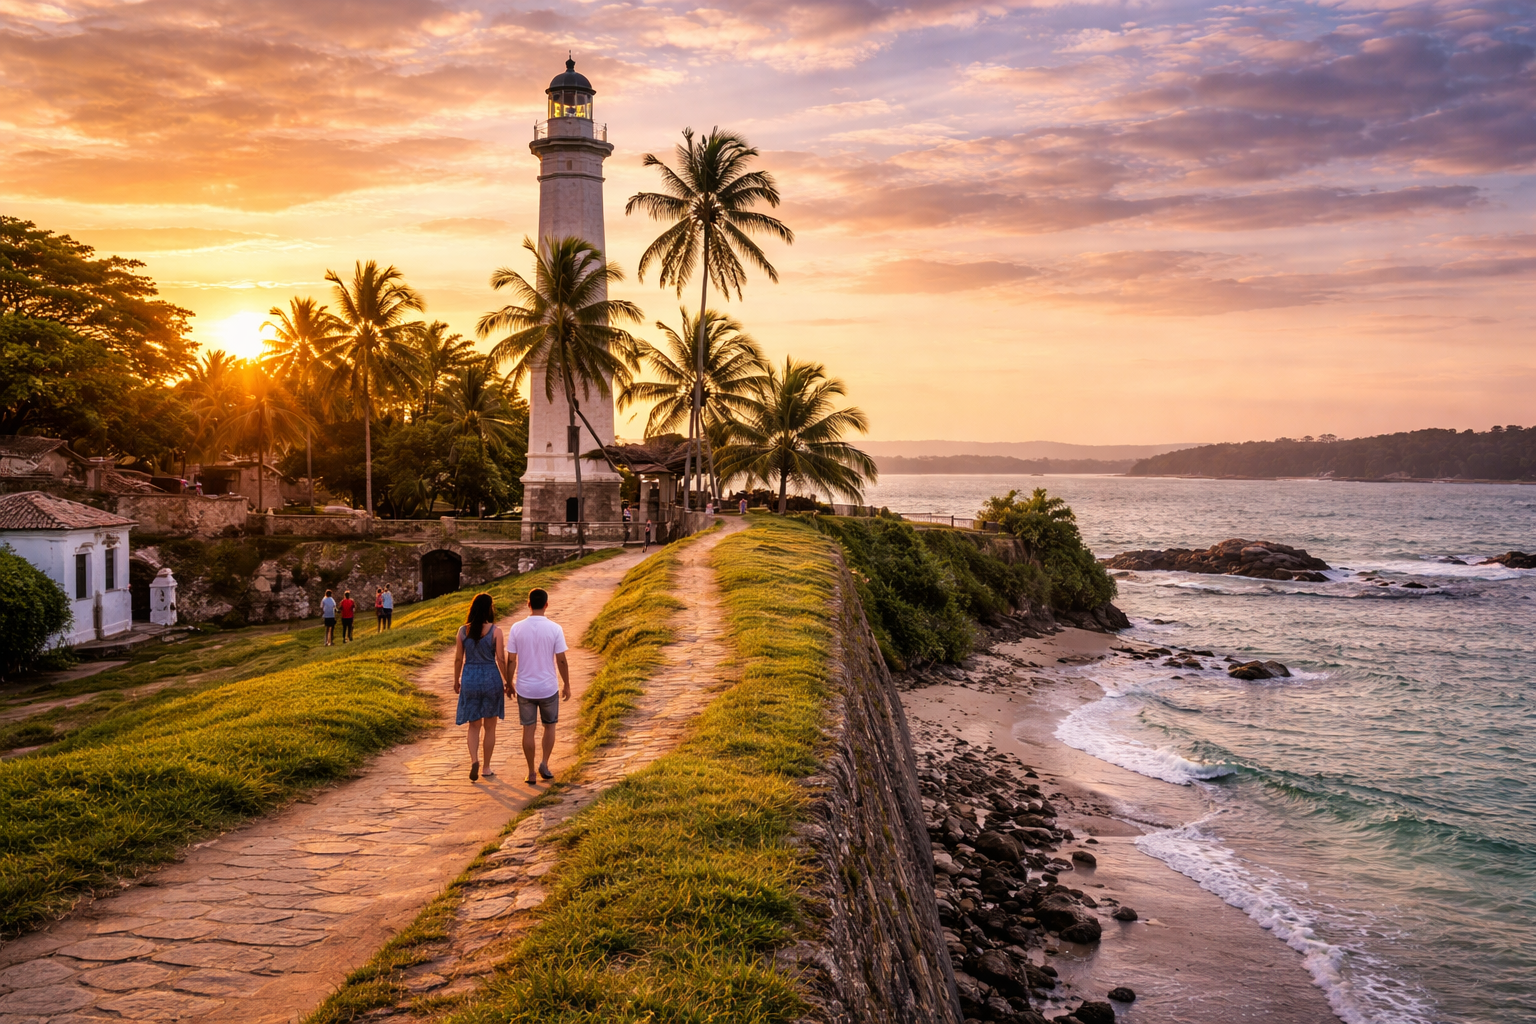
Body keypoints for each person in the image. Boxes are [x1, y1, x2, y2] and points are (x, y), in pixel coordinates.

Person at [505, 587, 569, 786]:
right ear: (547, 605)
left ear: (528, 604)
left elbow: (511, 660)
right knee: (549, 727)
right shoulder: (555, 628)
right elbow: (561, 660)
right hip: (548, 687)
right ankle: (545, 764)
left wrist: (509, 683)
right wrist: (567, 684)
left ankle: (531, 772)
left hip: (525, 687)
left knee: (528, 730)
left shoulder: (516, 628)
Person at [453, 592, 507, 782]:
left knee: (473, 726)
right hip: (491, 677)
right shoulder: (496, 631)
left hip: (470, 678)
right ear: (489, 608)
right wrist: (508, 681)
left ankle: (474, 760)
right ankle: (486, 767)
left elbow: (459, 659)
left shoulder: (462, 631)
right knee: (490, 727)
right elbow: (500, 658)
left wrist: (456, 680)